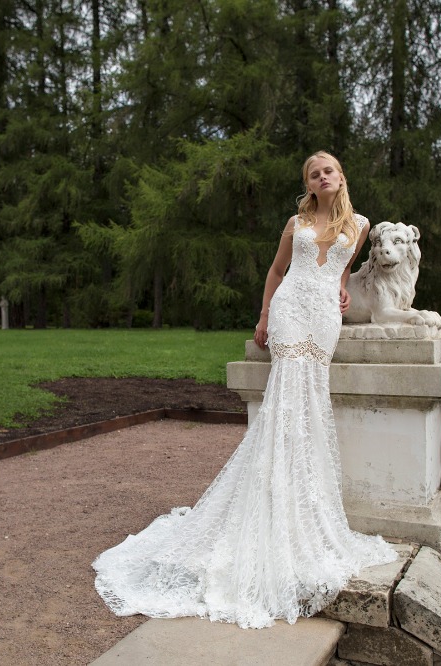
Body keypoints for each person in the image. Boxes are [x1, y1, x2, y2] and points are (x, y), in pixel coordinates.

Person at [92, 151, 397, 629]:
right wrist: (263, 316)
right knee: (285, 400)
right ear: (310, 184)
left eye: (329, 170)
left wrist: (341, 287)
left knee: (311, 400)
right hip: (292, 309)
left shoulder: (359, 223)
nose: (322, 177)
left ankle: (304, 504)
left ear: (341, 176)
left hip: (323, 318)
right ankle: (271, 498)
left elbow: (342, 267)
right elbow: (277, 273)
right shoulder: (295, 222)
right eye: (314, 174)